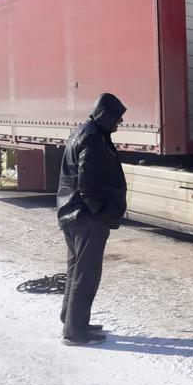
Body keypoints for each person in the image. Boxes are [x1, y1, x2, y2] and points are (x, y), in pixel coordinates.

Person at [56, 93, 128, 346]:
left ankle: (71, 320)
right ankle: (74, 332)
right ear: (105, 115)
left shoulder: (83, 133)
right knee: (86, 275)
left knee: (76, 271)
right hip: (86, 218)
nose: (120, 122)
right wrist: (104, 215)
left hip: (72, 213)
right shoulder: (93, 139)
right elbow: (88, 186)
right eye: (117, 117)